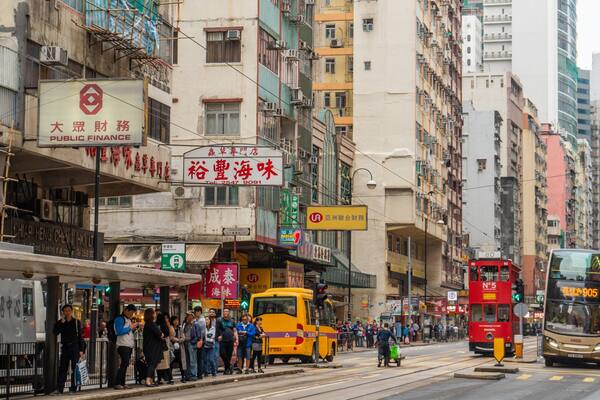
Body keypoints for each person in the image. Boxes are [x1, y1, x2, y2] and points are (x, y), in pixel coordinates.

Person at [53, 304, 86, 394]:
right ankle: (60, 389)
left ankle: (73, 388)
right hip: (65, 347)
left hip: (75, 347)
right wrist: (61, 323)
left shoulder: (76, 322)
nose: (67, 312)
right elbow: (55, 332)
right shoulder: (61, 322)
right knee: (63, 368)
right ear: (63, 312)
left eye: (68, 310)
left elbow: (80, 337)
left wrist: (81, 350)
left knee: (74, 369)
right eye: (65, 311)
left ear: (71, 311)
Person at [114, 304, 138, 390]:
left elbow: (128, 331)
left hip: (128, 345)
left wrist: (133, 328)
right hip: (122, 345)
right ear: (126, 310)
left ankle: (123, 383)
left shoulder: (128, 319)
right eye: (131, 313)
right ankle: (118, 383)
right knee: (124, 364)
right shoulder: (119, 319)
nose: (131, 315)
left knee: (125, 364)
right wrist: (130, 327)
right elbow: (119, 331)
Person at [142, 308, 164, 387]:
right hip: (153, 348)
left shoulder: (147, 324)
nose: (155, 314)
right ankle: (148, 380)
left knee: (152, 363)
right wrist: (162, 335)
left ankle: (150, 380)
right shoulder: (152, 324)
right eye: (154, 313)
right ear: (151, 314)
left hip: (148, 347)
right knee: (152, 363)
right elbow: (160, 334)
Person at [216, 308, 238, 375]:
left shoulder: (232, 321)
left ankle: (226, 370)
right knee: (222, 353)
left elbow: (234, 329)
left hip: (230, 340)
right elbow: (217, 329)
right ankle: (230, 365)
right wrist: (218, 336)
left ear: (229, 313)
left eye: (227, 311)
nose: (225, 312)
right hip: (222, 340)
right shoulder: (219, 320)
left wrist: (235, 337)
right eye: (224, 311)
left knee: (229, 355)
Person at [156, 313, 174, 385]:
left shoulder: (158, 325)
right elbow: (168, 335)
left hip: (160, 347)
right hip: (164, 347)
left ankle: (160, 379)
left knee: (159, 364)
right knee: (165, 364)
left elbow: (165, 335)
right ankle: (169, 379)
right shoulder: (165, 325)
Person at [170, 315, 187, 382]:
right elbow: (170, 337)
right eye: (175, 320)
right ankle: (170, 378)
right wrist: (176, 339)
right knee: (171, 363)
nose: (176, 322)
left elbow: (184, 337)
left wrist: (178, 340)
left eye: (177, 320)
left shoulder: (180, 328)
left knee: (181, 363)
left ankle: (183, 377)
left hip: (180, 348)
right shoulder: (170, 328)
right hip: (172, 348)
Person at [193, 306, 207, 378]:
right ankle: (198, 373)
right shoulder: (196, 319)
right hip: (197, 340)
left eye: (198, 311)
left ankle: (199, 374)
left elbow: (201, 332)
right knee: (197, 357)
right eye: (196, 311)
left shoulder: (201, 320)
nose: (197, 313)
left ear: (200, 312)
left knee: (199, 357)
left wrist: (200, 340)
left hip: (200, 340)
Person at [182, 312, 196, 381]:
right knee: (187, 359)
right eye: (187, 316)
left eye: (190, 316)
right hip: (185, 343)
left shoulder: (194, 324)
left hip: (191, 343)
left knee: (192, 360)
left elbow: (197, 334)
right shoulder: (184, 324)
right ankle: (187, 375)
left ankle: (193, 375)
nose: (188, 317)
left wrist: (193, 341)